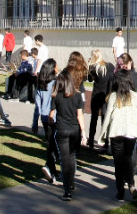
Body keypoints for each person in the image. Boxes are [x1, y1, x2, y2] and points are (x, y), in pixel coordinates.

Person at [99, 69, 137, 203]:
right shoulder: (135, 96)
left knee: (118, 163)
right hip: (131, 132)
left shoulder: (113, 96)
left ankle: (120, 193)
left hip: (116, 132)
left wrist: (103, 135)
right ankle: (131, 184)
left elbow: (107, 117)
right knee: (128, 158)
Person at [51, 69, 85, 202]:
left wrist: (50, 119)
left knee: (64, 160)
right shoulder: (77, 95)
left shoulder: (57, 96)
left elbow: (51, 113)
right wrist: (83, 132)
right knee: (71, 157)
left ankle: (67, 190)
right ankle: (71, 182)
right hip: (74, 130)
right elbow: (80, 114)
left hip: (61, 129)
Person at [36, 59, 60, 183]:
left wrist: (35, 122)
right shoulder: (55, 83)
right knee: (55, 145)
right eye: (56, 66)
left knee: (50, 143)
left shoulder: (41, 84)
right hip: (53, 117)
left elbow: (37, 105)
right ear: (53, 69)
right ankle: (48, 165)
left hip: (44, 117)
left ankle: (53, 171)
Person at [87, 49, 115, 148]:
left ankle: (90, 140)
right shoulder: (109, 66)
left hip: (96, 94)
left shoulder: (93, 67)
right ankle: (105, 141)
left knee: (94, 118)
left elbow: (89, 80)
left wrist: (89, 65)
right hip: (106, 94)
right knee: (105, 118)